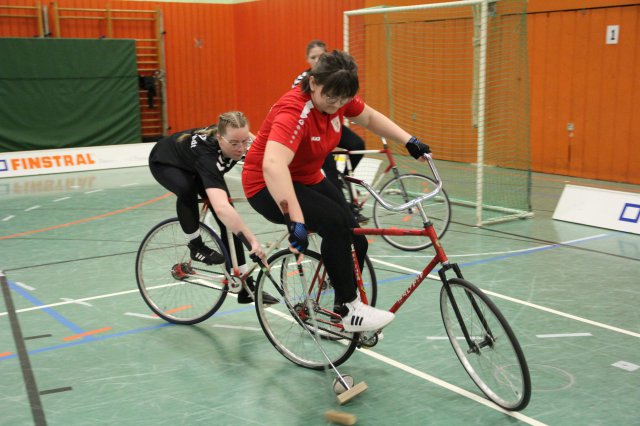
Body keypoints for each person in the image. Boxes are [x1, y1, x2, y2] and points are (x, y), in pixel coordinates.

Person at [242, 50, 431, 332]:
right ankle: (350, 309)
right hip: (266, 185)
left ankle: (338, 302)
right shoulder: (294, 111)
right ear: (313, 83)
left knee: (356, 237)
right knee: (334, 225)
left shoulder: (338, 94)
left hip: (306, 177)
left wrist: (409, 140)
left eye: (343, 100)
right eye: (331, 98)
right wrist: (296, 220)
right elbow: (273, 165)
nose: (338, 105)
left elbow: (369, 117)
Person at [149, 111, 276, 305]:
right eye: (234, 143)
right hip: (166, 161)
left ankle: (245, 286)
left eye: (244, 141)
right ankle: (195, 245)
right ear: (220, 138)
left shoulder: (239, 139)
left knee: (230, 221)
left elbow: (267, 157)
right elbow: (221, 208)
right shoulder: (208, 157)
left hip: (197, 165)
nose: (241, 148)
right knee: (188, 190)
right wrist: (252, 241)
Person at [292, 40, 368, 224]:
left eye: (320, 56)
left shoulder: (337, 77)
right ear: (307, 59)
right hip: (313, 131)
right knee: (329, 172)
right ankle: (347, 211)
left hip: (331, 124)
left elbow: (366, 114)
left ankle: (343, 177)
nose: (316, 60)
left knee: (357, 144)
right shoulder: (302, 80)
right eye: (313, 57)